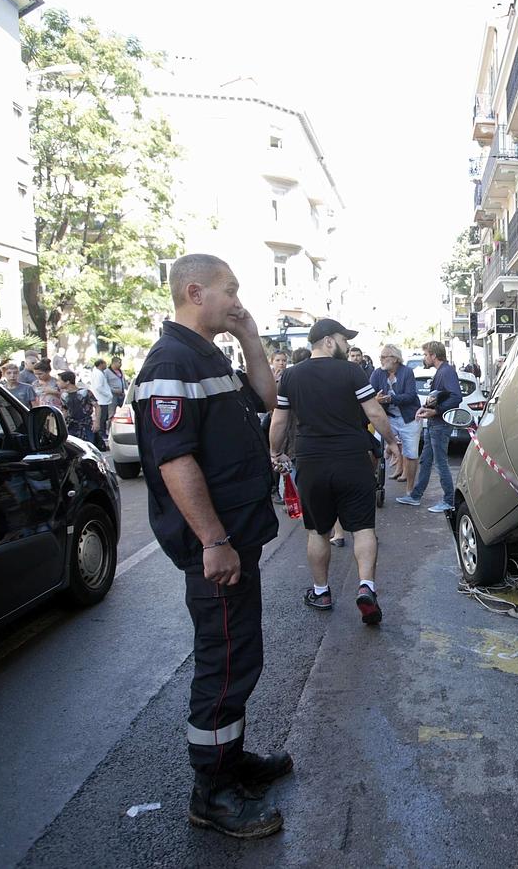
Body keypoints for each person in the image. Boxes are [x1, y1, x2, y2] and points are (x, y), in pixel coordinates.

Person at [132, 253, 289, 839]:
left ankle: (232, 760)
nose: (239, 298)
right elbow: (175, 461)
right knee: (224, 663)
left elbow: (269, 400)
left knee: (239, 655)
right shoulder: (171, 361)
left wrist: (249, 335)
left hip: (237, 540)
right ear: (195, 292)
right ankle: (212, 792)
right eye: (231, 290)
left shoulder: (208, 355)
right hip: (219, 548)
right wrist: (214, 540)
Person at [268, 319, 401, 624]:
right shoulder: (353, 372)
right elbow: (374, 411)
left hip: (312, 462)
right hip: (353, 459)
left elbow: (279, 422)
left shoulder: (289, 376)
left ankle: (321, 591)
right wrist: (392, 442)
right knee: (364, 528)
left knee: (317, 531)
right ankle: (366, 588)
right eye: (343, 339)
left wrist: (276, 452)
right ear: (328, 341)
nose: (345, 345)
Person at [396, 340, 461, 513]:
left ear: (433, 355)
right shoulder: (442, 371)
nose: (424, 358)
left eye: (425, 354)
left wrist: (436, 411)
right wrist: (426, 409)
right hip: (434, 424)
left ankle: (449, 500)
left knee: (440, 463)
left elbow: (456, 397)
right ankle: (416, 496)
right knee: (426, 461)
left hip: (440, 425)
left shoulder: (446, 371)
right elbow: (443, 396)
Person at [369, 344, 421, 490]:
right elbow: (369, 394)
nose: (381, 359)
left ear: (395, 359)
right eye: (381, 356)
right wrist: (376, 399)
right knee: (373, 446)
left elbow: (411, 396)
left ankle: (409, 489)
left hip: (408, 418)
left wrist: (390, 399)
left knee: (411, 453)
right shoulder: (377, 373)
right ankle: (371, 480)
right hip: (387, 418)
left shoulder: (407, 372)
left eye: (385, 357)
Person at [57, 371, 99, 442]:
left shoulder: (85, 393)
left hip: (86, 425)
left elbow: (97, 407)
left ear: (67, 382)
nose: (57, 383)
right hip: (71, 426)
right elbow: (65, 411)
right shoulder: (64, 396)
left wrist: (97, 422)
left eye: (59, 380)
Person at [88, 358, 115, 440]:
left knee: (103, 417)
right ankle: (101, 433)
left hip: (103, 399)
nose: (106, 366)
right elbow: (99, 387)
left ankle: (102, 432)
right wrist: (108, 394)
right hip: (102, 399)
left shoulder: (99, 373)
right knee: (102, 418)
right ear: (101, 364)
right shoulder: (98, 374)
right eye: (105, 364)